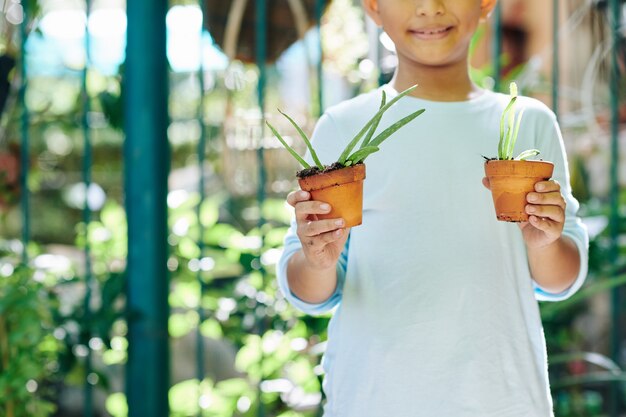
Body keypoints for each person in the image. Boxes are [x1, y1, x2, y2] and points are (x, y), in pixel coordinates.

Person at [276, 0, 589, 415]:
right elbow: (308, 291)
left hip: (501, 397)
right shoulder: (343, 126)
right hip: (374, 398)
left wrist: (545, 242)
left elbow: (560, 279)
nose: (430, 8)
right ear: (373, 7)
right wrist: (317, 259)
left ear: (485, 5)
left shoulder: (525, 121)